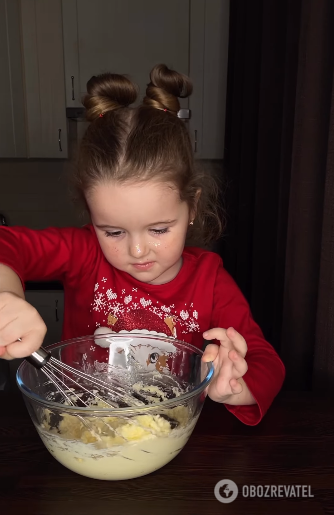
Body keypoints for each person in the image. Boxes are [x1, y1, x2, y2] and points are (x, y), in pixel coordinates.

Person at [0, 64, 285, 425]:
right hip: (83, 427)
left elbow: (266, 362)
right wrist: (5, 294)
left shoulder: (211, 282)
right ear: (91, 214)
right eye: (114, 232)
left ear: (192, 207)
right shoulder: (83, 253)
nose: (137, 251)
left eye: (159, 230)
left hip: (169, 432)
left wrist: (236, 385)